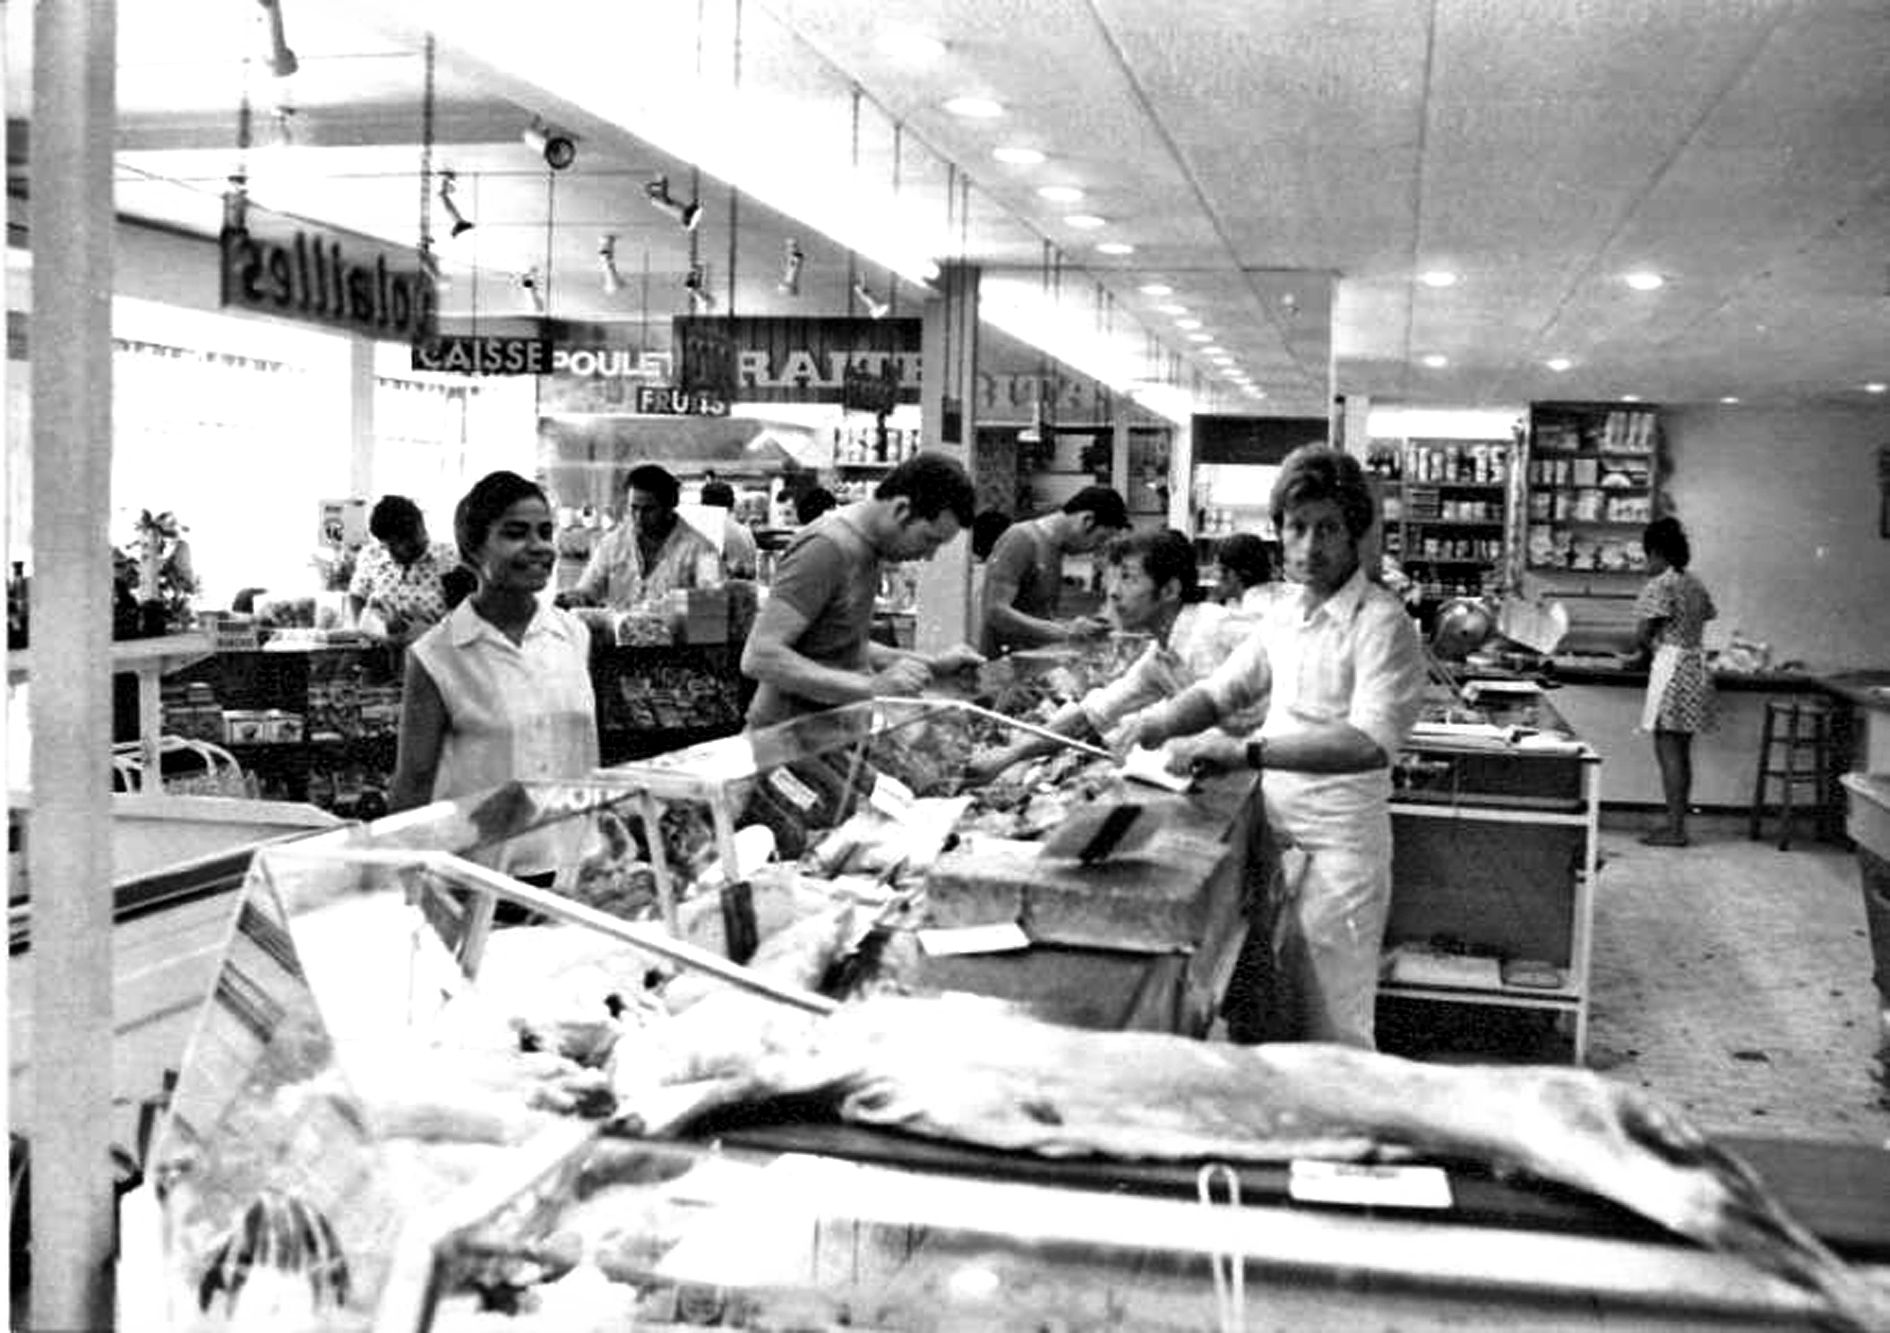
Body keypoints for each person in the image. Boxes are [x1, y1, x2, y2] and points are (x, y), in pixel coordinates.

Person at [1116, 444, 1426, 1049]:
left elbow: (1368, 744)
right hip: (1271, 839)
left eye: (1328, 529)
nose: (1310, 547)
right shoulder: (1285, 611)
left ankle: (1339, 1141)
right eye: (1297, 528)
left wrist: (1245, 752)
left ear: (1355, 534)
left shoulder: (1381, 622)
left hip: (1340, 849)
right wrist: (1159, 720)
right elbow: (1225, 688)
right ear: (1279, 532)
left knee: (1333, 1021)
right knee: (1270, 1011)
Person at [390, 471, 599, 854]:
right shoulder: (437, 654)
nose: (539, 547)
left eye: (545, 532)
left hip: (573, 869)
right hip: (480, 879)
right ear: (473, 550)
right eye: (516, 533)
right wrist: (402, 877)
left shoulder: (573, 636)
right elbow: (414, 783)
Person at [967, 529, 1256, 780]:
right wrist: (1009, 755)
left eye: (1128, 579)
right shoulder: (1158, 658)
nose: (1113, 593)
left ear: (1169, 589)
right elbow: (1090, 716)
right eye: (1112, 579)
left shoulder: (1214, 626)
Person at [742, 452, 985, 729]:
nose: (928, 556)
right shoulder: (825, 548)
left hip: (831, 737)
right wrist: (872, 687)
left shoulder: (867, 550)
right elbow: (760, 656)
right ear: (902, 510)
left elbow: (840, 645)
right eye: (929, 540)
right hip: (786, 741)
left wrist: (932, 665)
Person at [1634, 515, 1717, 847]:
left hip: (1671, 668)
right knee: (1682, 751)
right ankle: (1677, 824)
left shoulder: (1660, 584)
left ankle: (1674, 830)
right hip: (1695, 666)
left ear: (1655, 552)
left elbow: (1643, 635)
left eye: (1647, 555)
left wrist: (1638, 651)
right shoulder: (1694, 582)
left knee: (1667, 750)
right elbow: (1706, 616)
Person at [979, 485, 1131, 656]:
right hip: (1003, 667)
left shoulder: (1054, 550)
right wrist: (1066, 631)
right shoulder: (1021, 539)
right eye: (1100, 538)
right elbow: (995, 610)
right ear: (1087, 520)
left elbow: (1038, 616)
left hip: (1032, 663)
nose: (1096, 548)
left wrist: (1073, 626)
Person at [559, 463, 722, 610]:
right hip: (619, 639)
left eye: (649, 509)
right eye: (634, 508)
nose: (639, 517)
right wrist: (571, 599)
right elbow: (588, 590)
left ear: (669, 506)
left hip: (675, 641)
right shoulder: (613, 544)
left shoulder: (702, 551)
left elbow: (714, 606)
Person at [346, 495, 460, 644]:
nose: (399, 550)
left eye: (406, 541)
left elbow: (462, 622)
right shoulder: (372, 555)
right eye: (390, 545)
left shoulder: (450, 559)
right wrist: (364, 632)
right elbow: (357, 594)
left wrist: (416, 631)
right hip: (380, 654)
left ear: (421, 528)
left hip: (433, 652)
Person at [700, 477, 759, 580]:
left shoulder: (711, 533)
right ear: (732, 503)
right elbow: (753, 570)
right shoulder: (746, 532)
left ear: (704, 504)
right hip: (747, 590)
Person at [1214, 531, 1275, 611]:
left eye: (1218, 569)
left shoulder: (1255, 611)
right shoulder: (1234, 604)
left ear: (1237, 574)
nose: (1215, 576)